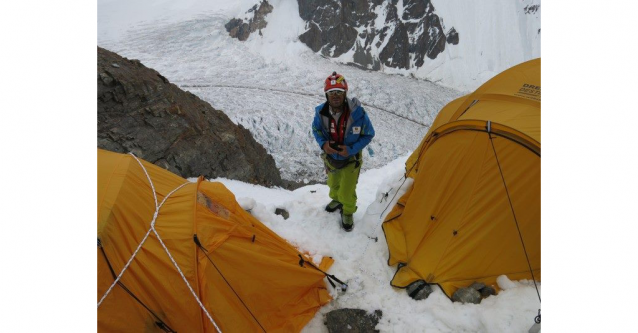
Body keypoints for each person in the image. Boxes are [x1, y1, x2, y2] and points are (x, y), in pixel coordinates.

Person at [312, 72, 375, 231]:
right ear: (326, 95)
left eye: (339, 92)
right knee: (333, 184)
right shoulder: (320, 113)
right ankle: (336, 200)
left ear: (345, 93)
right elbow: (316, 130)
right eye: (331, 92)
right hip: (331, 158)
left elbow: (369, 134)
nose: (335, 96)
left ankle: (347, 211)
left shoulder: (358, 114)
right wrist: (323, 144)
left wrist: (351, 149)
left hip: (350, 160)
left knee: (347, 190)